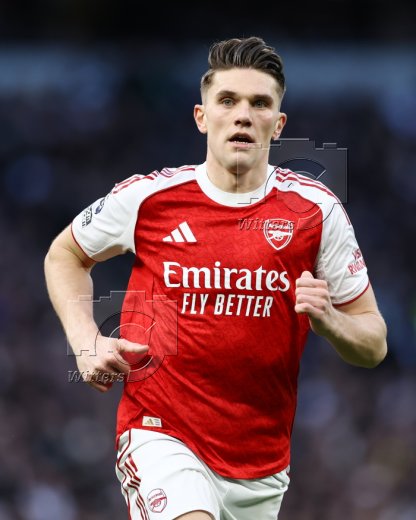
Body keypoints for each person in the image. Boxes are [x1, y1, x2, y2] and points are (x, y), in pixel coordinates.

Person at [44, 37, 387, 520]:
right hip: (160, 433)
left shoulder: (316, 211)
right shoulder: (149, 198)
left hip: (260, 464)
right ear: (202, 117)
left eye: (260, 103)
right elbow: (64, 254)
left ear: (278, 124)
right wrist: (85, 341)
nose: (243, 115)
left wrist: (332, 320)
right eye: (228, 101)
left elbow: (374, 344)